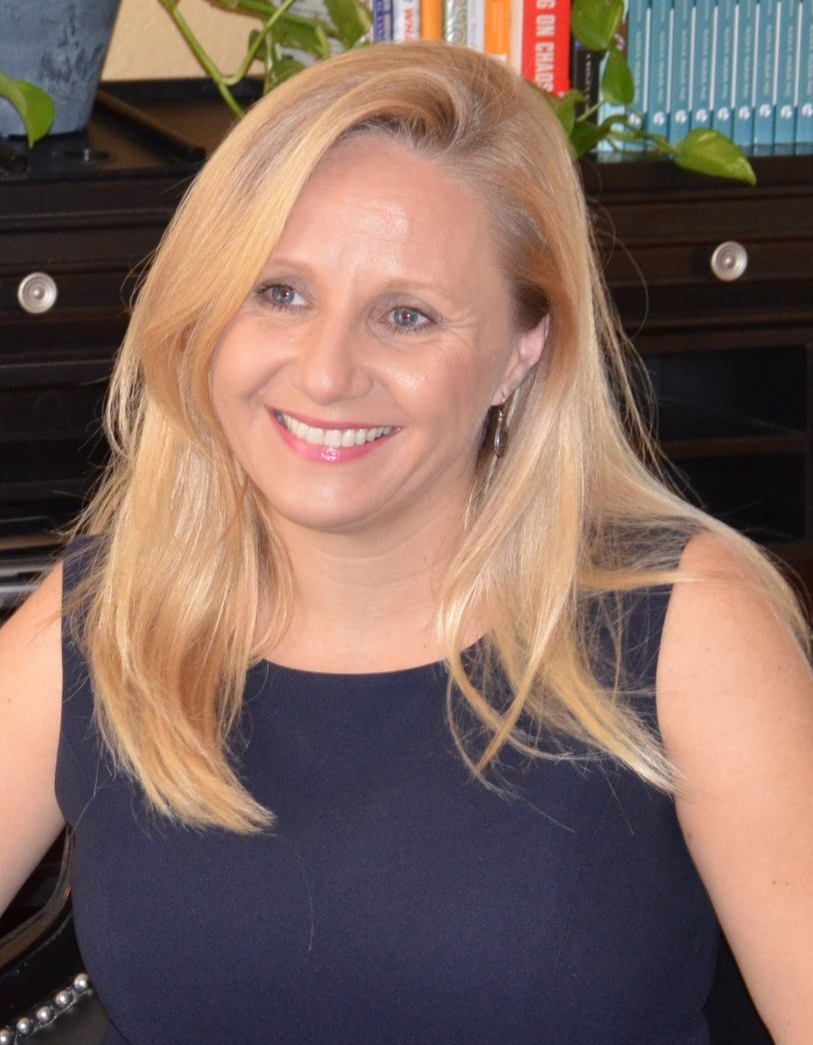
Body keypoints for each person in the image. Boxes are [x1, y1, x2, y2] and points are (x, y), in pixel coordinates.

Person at [1, 40, 811, 1045]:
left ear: (523, 350)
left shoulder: (685, 627)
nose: (326, 372)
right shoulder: (110, 613)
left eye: (407, 315)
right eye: (279, 292)